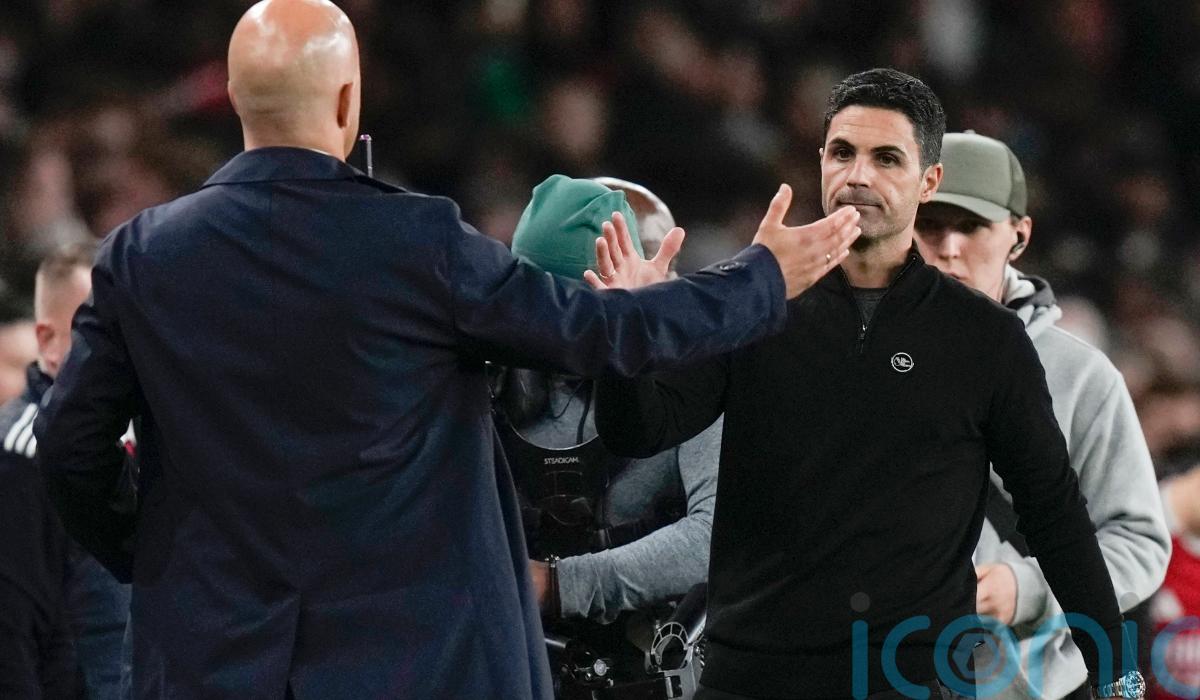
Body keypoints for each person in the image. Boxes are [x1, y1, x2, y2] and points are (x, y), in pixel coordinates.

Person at [31, 0, 863, 697]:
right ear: (348, 101)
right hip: (407, 664)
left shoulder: (143, 256)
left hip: (208, 660)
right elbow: (604, 330)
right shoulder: (416, 243)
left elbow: (70, 442)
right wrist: (761, 277)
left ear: (238, 100)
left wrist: (152, 551)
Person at [594, 68, 1141, 699]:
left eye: (886, 158)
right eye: (842, 152)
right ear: (820, 162)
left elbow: (1054, 513)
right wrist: (622, 334)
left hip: (913, 682)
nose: (858, 175)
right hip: (752, 678)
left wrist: (1118, 677)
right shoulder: (748, 301)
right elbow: (639, 430)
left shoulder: (986, 338)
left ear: (928, 180)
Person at [912, 131, 1170, 699]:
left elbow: (1140, 542)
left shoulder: (1081, 376)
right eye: (929, 225)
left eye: (972, 226)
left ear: (1019, 235)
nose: (948, 247)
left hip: (1026, 682)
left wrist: (1025, 587)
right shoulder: (857, 357)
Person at [496, 175, 720, 693]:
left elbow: (714, 538)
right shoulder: (479, 379)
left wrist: (556, 585)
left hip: (653, 662)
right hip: (513, 658)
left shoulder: (694, 370)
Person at [1, 241, 134, 699]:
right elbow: (10, 633)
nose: (114, 345)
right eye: (92, 329)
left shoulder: (134, 434)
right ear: (47, 341)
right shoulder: (19, 457)